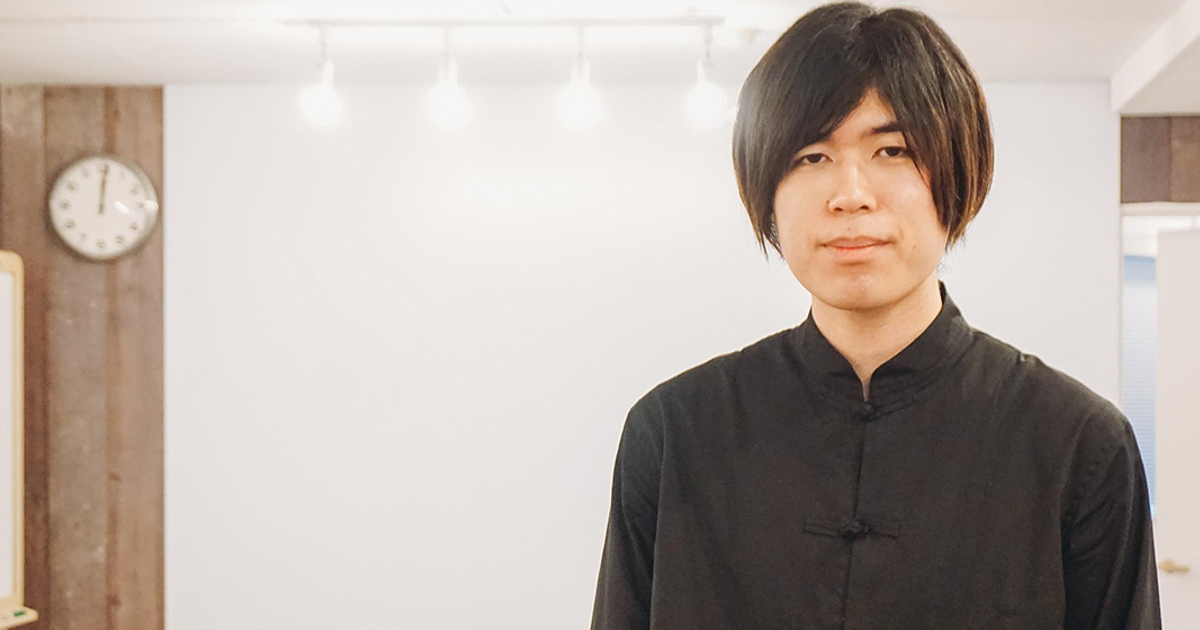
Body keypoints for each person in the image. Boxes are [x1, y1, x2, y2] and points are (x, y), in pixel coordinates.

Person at [588, 2, 1162, 629]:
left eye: (892, 150)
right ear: (767, 192)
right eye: (811, 156)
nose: (851, 195)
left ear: (958, 173)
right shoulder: (672, 437)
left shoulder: (1077, 446)